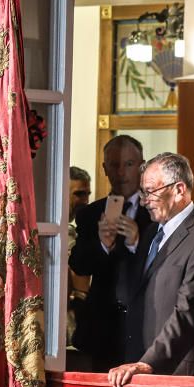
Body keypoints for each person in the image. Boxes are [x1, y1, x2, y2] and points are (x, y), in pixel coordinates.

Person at [107, 153, 194, 387]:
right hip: (138, 370)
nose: (144, 201)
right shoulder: (152, 233)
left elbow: (190, 311)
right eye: (142, 192)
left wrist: (148, 364)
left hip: (180, 373)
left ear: (179, 189)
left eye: (150, 191)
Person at [68, 135, 158, 372]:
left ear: (142, 167)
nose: (121, 172)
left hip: (146, 325)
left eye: (129, 164)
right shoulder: (90, 213)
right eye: (115, 165)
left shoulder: (156, 213)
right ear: (105, 168)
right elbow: (78, 263)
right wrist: (102, 244)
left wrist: (136, 243)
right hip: (101, 329)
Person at [66, 166, 92, 348]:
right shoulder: (58, 235)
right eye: (79, 194)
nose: (85, 201)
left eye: (87, 194)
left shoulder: (75, 232)